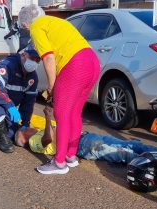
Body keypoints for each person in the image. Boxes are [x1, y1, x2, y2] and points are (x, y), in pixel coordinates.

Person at [17, 4, 101, 174]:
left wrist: (51, 86)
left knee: (61, 114)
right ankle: (70, 155)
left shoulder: (36, 27)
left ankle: (59, 162)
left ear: (25, 24)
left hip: (75, 65)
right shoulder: (56, 21)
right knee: (74, 113)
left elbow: (48, 57)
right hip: (92, 62)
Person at [14, 106, 157, 171]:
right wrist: (48, 118)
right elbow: (47, 141)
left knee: (131, 144)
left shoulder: (38, 130)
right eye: (23, 130)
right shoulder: (34, 142)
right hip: (85, 146)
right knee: (126, 153)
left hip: (86, 138)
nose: (26, 127)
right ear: (24, 138)